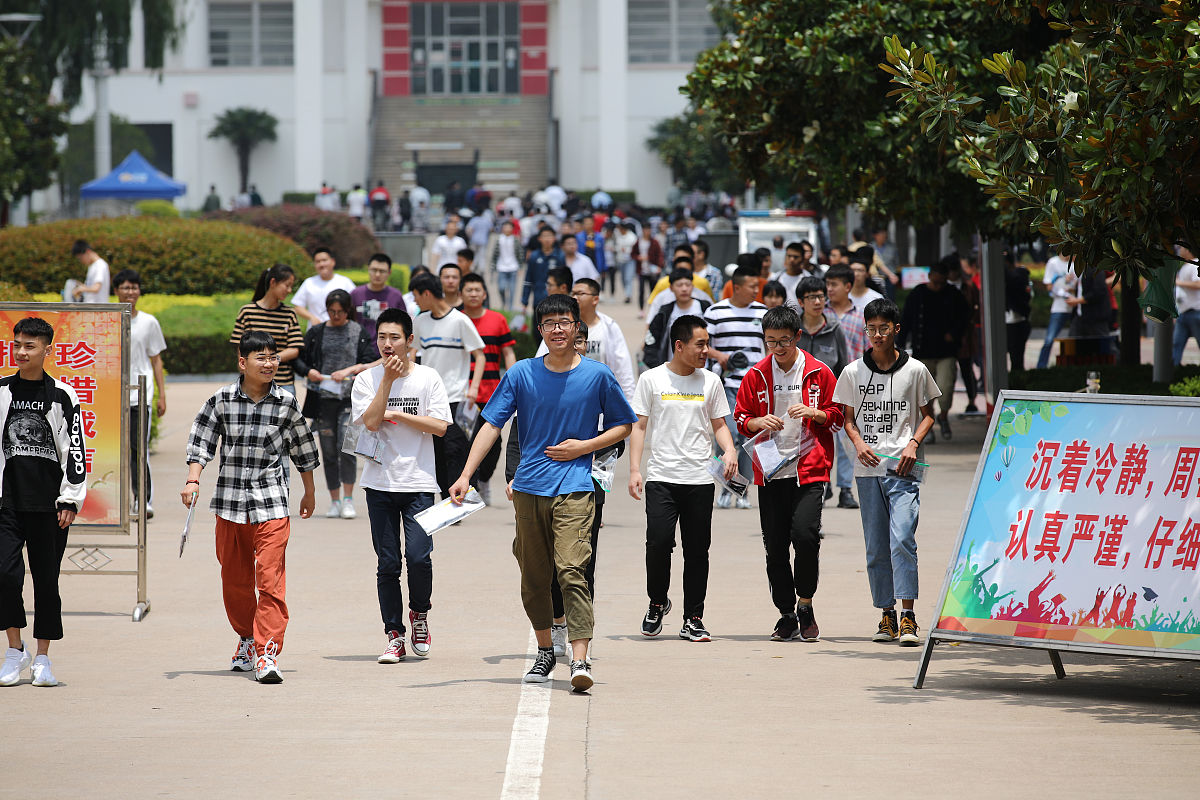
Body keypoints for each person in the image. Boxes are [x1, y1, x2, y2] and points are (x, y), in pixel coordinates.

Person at [448, 294, 636, 692]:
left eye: (564, 322)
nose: (557, 329)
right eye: (549, 323)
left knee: (571, 570)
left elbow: (624, 425)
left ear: (576, 327)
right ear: (540, 330)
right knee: (534, 577)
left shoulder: (597, 375)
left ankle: (580, 659)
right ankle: (546, 650)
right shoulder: (521, 374)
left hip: (576, 486)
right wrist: (466, 474)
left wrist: (583, 447)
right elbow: (491, 425)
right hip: (530, 488)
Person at [182, 330, 320, 684]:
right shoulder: (222, 399)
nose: (270, 363)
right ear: (242, 362)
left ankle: (267, 652)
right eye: (261, 357)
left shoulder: (286, 402)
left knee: (270, 580)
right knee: (235, 581)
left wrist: (309, 492)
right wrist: (193, 479)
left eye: (274, 357)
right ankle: (246, 636)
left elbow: (303, 448)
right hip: (229, 504)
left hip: (272, 503)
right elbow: (202, 440)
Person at [834, 298, 939, 647]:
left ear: (896, 329)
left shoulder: (915, 370)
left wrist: (913, 442)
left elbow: (928, 414)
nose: (877, 335)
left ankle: (909, 616)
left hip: (904, 469)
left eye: (883, 328)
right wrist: (858, 443)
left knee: (903, 539)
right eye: (871, 329)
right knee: (876, 547)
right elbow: (846, 419)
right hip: (868, 472)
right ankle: (886, 614)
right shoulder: (852, 372)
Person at [735, 305, 842, 642]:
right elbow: (741, 418)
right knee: (775, 546)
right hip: (770, 471)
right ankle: (786, 613)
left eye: (784, 341)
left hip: (810, 469)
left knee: (807, 537)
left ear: (798, 336)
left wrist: (815, 412)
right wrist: (757, 422)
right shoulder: (756, 374)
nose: (778, 349)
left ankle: (805, 602)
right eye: (770, 342)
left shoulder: (819, 372)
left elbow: (838, 416)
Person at [630, 315, 737, 642]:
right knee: (658, 543)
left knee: (697, 551)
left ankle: (693, 616)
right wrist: (635, 469)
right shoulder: (651, 379)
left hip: (700, 480)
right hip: (662, 478)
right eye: (700, 344)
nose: (707, 350)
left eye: (707, 344)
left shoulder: (710, 382)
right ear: (679, 345)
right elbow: (639, 426)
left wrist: (729, 451)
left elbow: (719, 424)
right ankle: (657, 601)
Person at [352, 308, 450, 664]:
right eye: (381, 337)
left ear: (410, 340)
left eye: (395, 337)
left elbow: (439, 426)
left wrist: (402, 415)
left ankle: (419, 614)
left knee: (420, 557)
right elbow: (372, 424)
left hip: (420, 483)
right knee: (388, 563)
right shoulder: (366, 380)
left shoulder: (428, 378)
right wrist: (386, 384)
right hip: (378, 484)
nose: (387, 345)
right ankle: (394, 634)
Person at [0, 317, 86, 688]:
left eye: (30, 346)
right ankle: (14, 651)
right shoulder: (1, 391)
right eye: (17, 344)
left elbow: (77, 451)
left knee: (46, 583)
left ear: (47, 350)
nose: (21, 351)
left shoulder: (62, 395)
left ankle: (44, 658)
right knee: (4, 576)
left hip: (49, 506)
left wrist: (69, 498)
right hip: (6, 503)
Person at [294, 290, 376, 519]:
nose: (336, 315)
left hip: (351, 400)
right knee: (328, 451)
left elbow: (369, 360)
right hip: (323, 400)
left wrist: (350, 371)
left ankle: (349, 499)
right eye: (332, 311)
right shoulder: (316, 332)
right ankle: (335, 500)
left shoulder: (357, 331)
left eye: (340, 311)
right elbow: (299, 359)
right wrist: (310, 371)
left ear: (348, 310)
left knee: (347, 447)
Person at [409, 272, 485, 498]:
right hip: (429, 399)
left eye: (416, 296)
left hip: (455, 397)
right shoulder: (421, 321)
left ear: (426, 293)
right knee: (434, 453)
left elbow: (479, 356)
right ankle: (444, 501)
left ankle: (455, 501)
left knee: (455, 450)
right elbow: (412, 353)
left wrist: (473, 388)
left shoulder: (460, 320)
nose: (415, 302)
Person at [704, 257, 767, 509]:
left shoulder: (763, 312)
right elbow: (702, 345)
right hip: (726, 383)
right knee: (728, 435)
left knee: (748, 438)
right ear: (737, 287)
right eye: (752, 286)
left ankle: (741, 490)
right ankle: (726, 487)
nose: (756, 290)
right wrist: (721, 357)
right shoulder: (715, 312)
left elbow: (769, 348)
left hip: (754, 385)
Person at [114, 269, 167, 519]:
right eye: (125, 287)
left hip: (139, 396)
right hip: (111, 396)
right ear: (116, 291)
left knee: (138, 449)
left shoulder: (149, 322)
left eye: (134, 287)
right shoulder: (106, 320)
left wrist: (161, 395)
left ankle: (142, 499)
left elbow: (156, 360)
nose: (130, 292)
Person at [460, 273, 516, 504]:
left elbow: (508, 352)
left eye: (477, 290)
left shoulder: (497, 320)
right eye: (469, 290)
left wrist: (515, 381)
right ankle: (470, 488)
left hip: (493, 391)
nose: (473, 294)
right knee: (464, 442)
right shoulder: (457, 319)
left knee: (495, 444)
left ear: (484, 294)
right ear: (461, 294)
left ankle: (484, 480)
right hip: (463, 392)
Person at [899, 259, 967, 440]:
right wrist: (899, 345)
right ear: (929, 277)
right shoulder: (918, 294)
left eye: (941, 283)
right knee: (924, 393)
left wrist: (954, 333)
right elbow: (905, 320)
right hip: (923, 350)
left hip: (947, 351)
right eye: (935, 282)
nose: (937, 286)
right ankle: (927, 424)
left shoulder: (953, 294)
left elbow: (965, 317)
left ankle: (943, 416)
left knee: (945, 388)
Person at [823, 265, 868, 509]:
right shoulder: (821, 315)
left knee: (847, 440)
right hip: (824, 388)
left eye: (835, 284)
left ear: (848, 287)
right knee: (823, 439)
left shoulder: (860, 316)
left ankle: (845, 489)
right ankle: (823, 484)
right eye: (827, 284)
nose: (829, 289)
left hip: (852, 387)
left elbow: (866, 351)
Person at [231, 264, 305, 393]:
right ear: (273, 282)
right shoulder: (247, 311)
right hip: (252, 383)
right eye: (287, 285)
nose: (289, 290)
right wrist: (245, 371)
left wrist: (271, 360)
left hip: (283, 383)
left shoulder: (289, 314)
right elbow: (240, 346)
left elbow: (294, 349)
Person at [643, 267, 711, 369]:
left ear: (692, 286)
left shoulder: (705, 308)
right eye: (679, 285)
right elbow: (651, 343)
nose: (684, 289)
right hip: (673, 372)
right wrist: (659, 369)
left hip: (703, 370)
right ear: (671, 288)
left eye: (687, 285)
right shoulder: (664, 313)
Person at [351, 252, 407, 357]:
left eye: (382, 271)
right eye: (374, 270)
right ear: (368, 269)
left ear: (389, 272)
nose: (377, 274)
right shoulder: (356, 294)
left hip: (388, 352)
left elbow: (403, 326)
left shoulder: (396, 296)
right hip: (359, 352)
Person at [292, 248, 356, 327]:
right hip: (316, 331)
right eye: (318, 262)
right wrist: (312, 318)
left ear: (333, 261)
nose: (321, 264)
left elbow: (354, 304)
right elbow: (298, 307)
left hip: (342, 330)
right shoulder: (309, 283)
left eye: (324, 260)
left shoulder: (345, 282)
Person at [1037, 247, 1077, 369]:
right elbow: (1049, 286)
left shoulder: (1076, 265)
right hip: (1059, 307)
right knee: (1049, 340)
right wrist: (1062, 292)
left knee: (1075, 340)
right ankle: (1041, 367)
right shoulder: (1053, 263)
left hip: (1075, 306)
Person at [1003, 251, 1034, 370]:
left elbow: (1013, 282)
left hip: (1017, 321)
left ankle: (1017, 381)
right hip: (1010, 320)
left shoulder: (1019, 275)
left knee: (1016, 357)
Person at [523, 226, 564, 312]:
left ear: (554, 238)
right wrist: (524, 301)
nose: (547, 239)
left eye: (550, 236)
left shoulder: (560, 256)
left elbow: (564, 279)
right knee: (537, 324)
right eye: (544, 236)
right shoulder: (534, 256)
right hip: (538, 300)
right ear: (539, 238)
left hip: (556, 301)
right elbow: (528, 278)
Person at [490, 219, 525, 310]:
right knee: (501, 287)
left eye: (509, 227)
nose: (507, 229)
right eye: (505, 227)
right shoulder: (499, 239)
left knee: (512, 289)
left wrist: (521, 267)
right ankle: (504, 302)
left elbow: (520, 253)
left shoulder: (515, 239)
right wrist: (492, 267)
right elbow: (495, 254)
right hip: (501, 267)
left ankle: (510, 308)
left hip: (513, 267)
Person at [1174, 246, 1200, 364]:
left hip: (1195, 312)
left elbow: (1198, 284)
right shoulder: (1185, 266)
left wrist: (1179, 282)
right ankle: (1173, 371)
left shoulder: (1196, 264)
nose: (1179, 250)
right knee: (1176, 344)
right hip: (1183, 313)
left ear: (1188, 249)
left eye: (1181, 248)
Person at [634, 223, 665, 310]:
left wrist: (659, 266)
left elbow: (659, 255)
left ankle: (653, 308)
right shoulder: (638, 241)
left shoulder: (654, 242)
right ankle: (641, 309)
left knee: (653, 291)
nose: (647, 232)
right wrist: (638, 257)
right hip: (642, 270)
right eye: (645, 230)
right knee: (641, 291)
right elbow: (633, 253)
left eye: (649, 230)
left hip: (652, 270)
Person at [848, 249, 885, 313]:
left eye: (860, 270)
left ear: (867, 274)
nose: (856, 274)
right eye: (853, 270)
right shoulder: (843, 296)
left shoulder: (876, 298)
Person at [611, 220, 639, 304]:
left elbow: (635, 249)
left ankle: (628, 295)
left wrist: (627, 250)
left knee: (628, 278)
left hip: (630, 260)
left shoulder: (632, 237)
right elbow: (617, 247)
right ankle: (627, 292)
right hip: (621, 260)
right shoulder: (619, 236)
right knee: (623, 279)